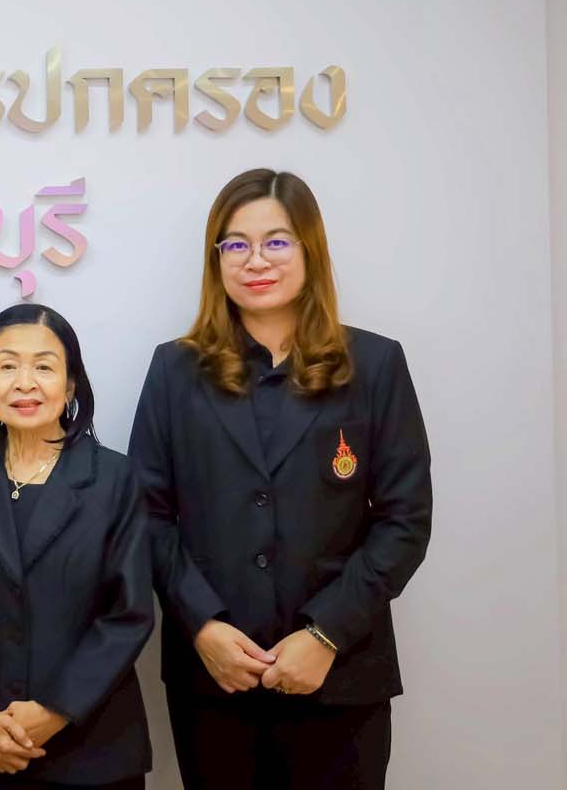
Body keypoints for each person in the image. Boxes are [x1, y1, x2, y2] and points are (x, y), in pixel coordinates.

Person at [127, 168, 432, 789]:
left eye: (276, 241)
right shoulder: (175, 370)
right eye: (236, 244)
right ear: (216, 259)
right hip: (215, 678)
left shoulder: (374, 364)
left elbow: (405, 521)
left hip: (341, 674)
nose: (256, 260)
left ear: (309, 250)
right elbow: (146, 514)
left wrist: (326, 634)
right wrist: (202, 626)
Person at [0, 304, 153, 790]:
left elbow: (127, 613)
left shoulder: (114, 478)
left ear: (70, 386)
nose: (24, 383)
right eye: (7, 366)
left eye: (44, 367)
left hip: (91, 746)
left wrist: (55, 711)